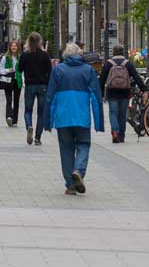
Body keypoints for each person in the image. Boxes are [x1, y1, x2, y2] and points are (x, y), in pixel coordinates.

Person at [49, 42, 103, 194]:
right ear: (80, 54)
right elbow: (96, 96)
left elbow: (50, 96)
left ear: (65, 55)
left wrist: (48, 120)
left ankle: (70, 185)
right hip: (82, 116)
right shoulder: (88, 70)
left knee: (66, 150)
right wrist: (99, 122)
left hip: (63, 117)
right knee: (84, 145)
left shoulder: (58, 70)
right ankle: (79, 170)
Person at [99, 45, 143, 143]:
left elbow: (101, 80)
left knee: (113, 113)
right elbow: (136, 77)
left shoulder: (108, 64)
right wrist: (143, 88)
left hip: (112, 93)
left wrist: (100, 93)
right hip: (125, 92)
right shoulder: (128, 64)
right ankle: (121, 136)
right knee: (122, 115)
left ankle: (115, 132)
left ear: (113, 53)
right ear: (123, 53)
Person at [19, 32, 53, 146]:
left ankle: (29, 125)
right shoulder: (45, 55)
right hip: (43, 86)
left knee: (28, 110)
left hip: (30, 85)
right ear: (40, 41)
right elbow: (50, 70)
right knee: (41, 113)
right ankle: (38, 138)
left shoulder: (25, 54)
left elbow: (19, 69)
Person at [0, 39, 22, 127]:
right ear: (9, 47)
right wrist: (8, 70)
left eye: (15, 46)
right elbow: (0, 69)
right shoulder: (6, 57)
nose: (13, 47)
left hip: (17, 80)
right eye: (12, 46)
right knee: (9, 99)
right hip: (8, 80)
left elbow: (23, 70)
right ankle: (9, 117)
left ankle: (15, 121)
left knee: (16, 101)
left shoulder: (20, 57)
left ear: (17, 47)